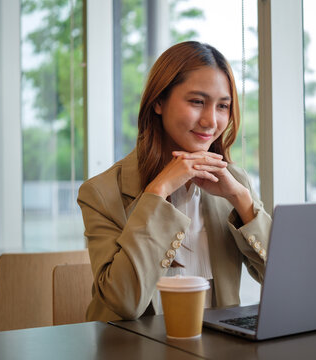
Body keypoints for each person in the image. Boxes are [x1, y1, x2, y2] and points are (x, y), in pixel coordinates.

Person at [77, 41, 271, 322]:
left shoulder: (234, 183)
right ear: (158, 101)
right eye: (197, 102)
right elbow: (124, 302)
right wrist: (158, 192)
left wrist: (242, 199)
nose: (211, 121)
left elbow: (285, 281)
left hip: (218, 348)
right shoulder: (101, 192)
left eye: (223, 106)